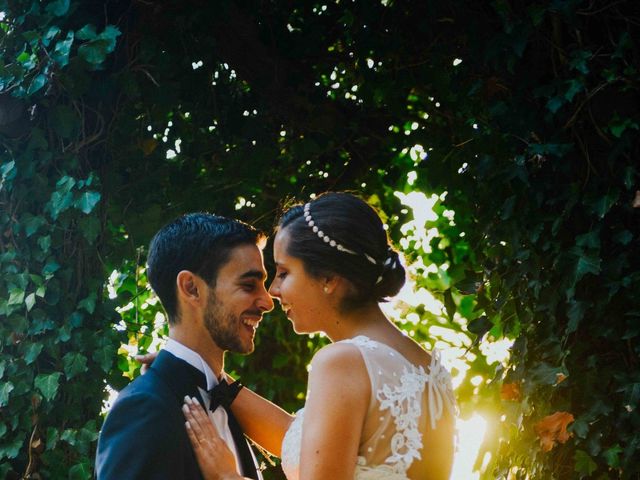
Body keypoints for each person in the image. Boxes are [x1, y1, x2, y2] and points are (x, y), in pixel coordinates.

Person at [181, 192, 457, 480]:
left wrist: (227, 476)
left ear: (327, 278)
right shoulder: (426, 367)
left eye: (284, 273)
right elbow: (310, 447)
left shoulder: (344, 361)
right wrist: (204, 372)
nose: (273, 290)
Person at [95, 213, 274, 479]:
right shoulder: (144, 408)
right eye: (249, 285)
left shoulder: (226, 398)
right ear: (191, 288)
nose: (267, 302)